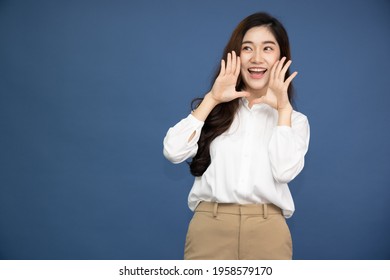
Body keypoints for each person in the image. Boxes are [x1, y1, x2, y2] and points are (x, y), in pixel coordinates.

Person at [163, 12, 310, 260]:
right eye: (247, 48)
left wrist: (282, 110)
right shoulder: (212, 111)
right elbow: (173, 152)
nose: (256, 58)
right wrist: (212, 99)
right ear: (235, 55)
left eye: (267, 48)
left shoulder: (295, 120)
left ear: (281, 58)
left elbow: (285, 172)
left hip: (268, 231)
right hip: (209, 227)